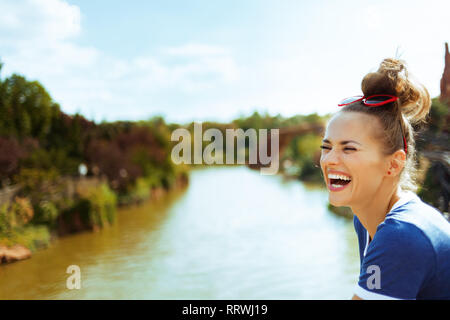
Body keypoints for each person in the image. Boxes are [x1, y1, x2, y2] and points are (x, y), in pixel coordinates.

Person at [319, 58, 450, 300]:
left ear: (393, 164)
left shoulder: (401, 236)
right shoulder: (368, 221)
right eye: (326, 147)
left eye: (348, 149)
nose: (328, 160)